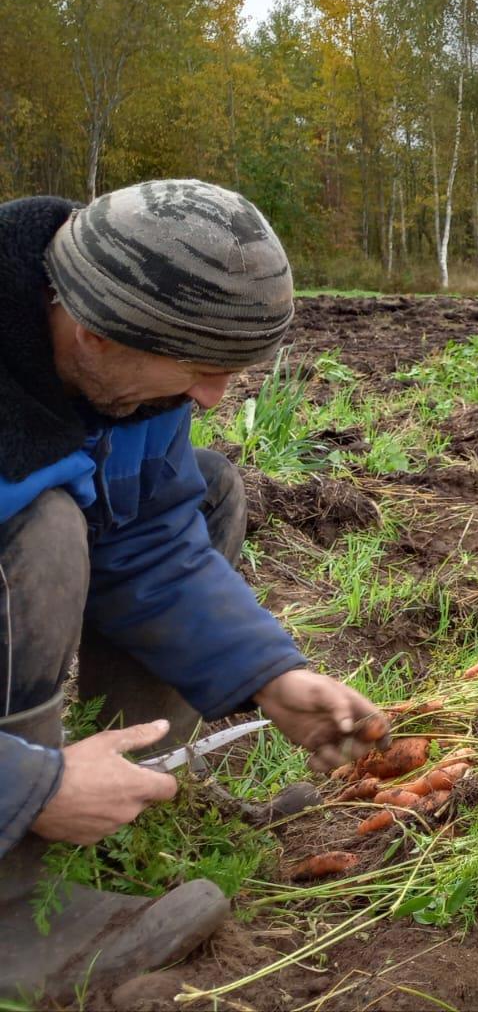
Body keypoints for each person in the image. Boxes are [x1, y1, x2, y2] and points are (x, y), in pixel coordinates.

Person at [0, 180, 390, 1001]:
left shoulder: (117, 335)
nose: (214, 397)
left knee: (205, 489)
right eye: (201, 372)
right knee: (42, 527)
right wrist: (28, 788)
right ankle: (11, 900)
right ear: (94, 335)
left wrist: (267, 676)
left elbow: (146, 539)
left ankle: (128, 794)